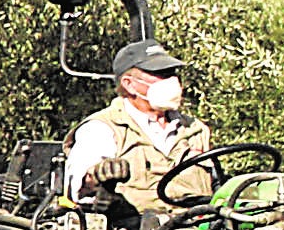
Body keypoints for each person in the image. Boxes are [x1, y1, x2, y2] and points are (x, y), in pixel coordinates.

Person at [62, 41, 213, 210]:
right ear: (129, 84)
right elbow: (78, 189)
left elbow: (219, 186)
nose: (172, 81)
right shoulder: (103, 128)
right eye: (160, 73)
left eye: (172, 73)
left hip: (198, 228)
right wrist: (97, 176)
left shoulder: (196, 130)